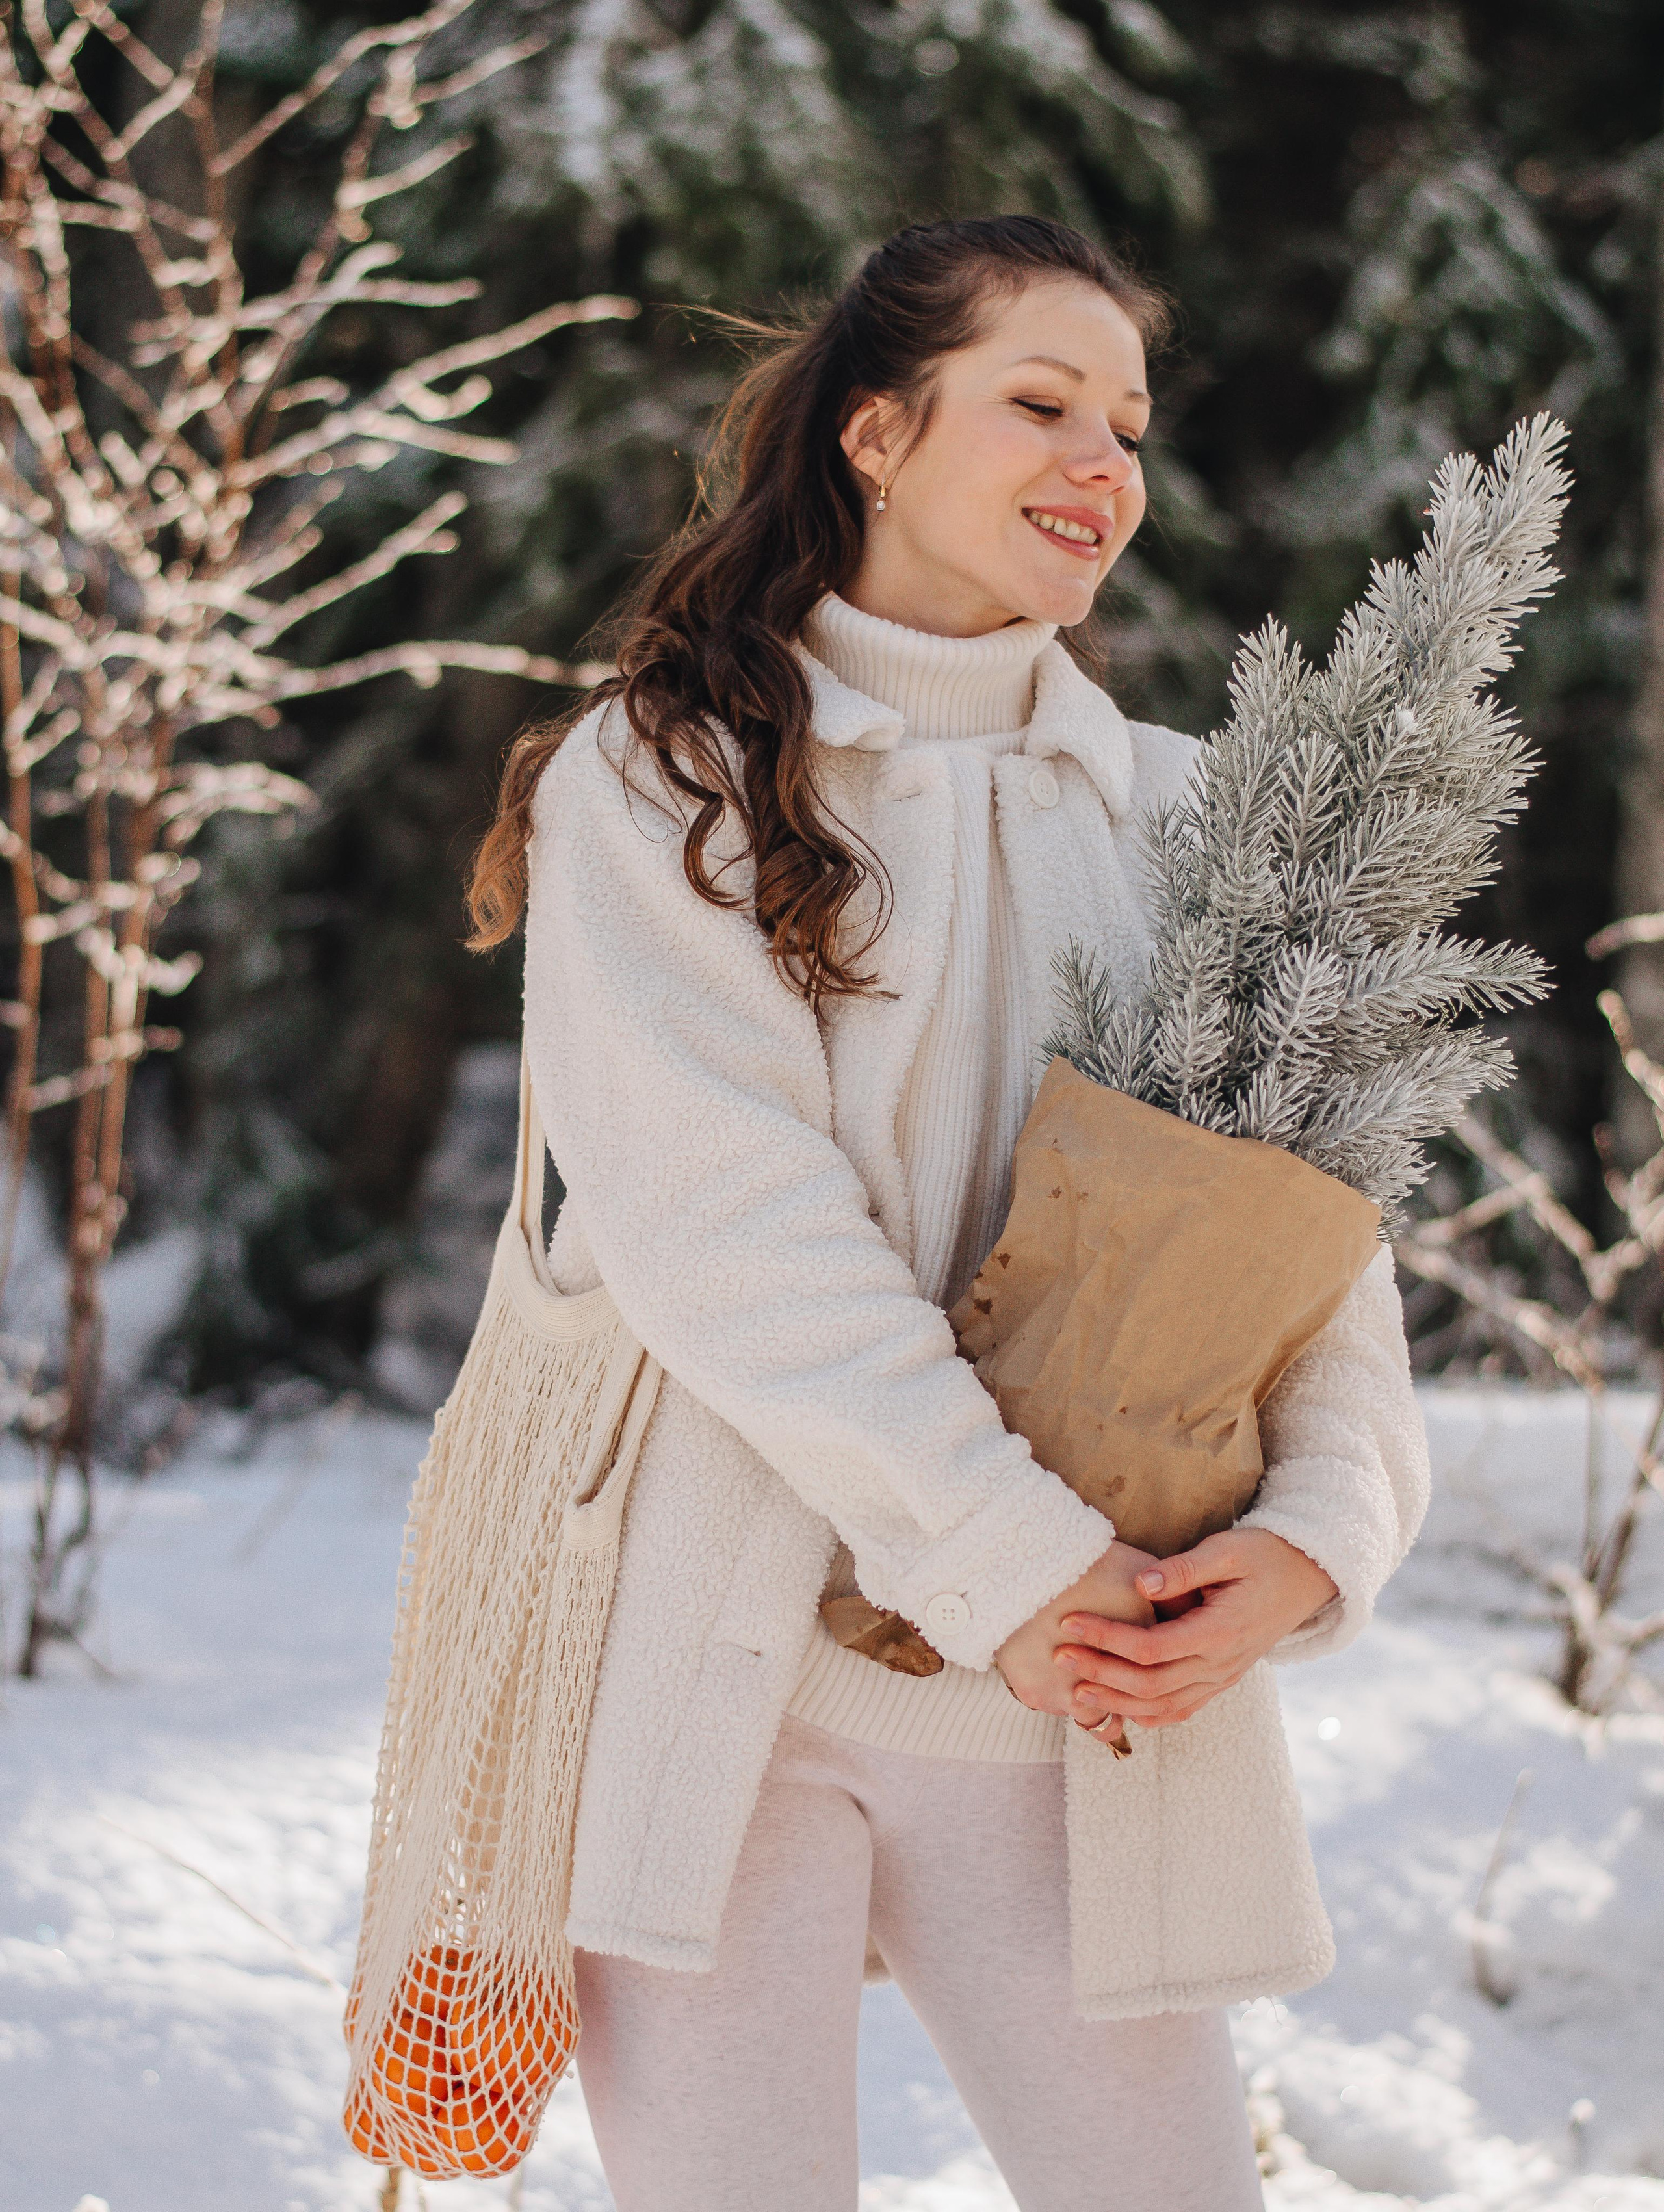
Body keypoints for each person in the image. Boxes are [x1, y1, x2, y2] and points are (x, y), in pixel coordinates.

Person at [467, 215, 1429, 2211]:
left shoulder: (1186, 814)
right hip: (722, 1694)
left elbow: (1309, 1252)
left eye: (1135, 426)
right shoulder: (665, 787)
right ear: (880, 432)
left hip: (1089, 1712)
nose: (1107, 463)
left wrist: (1318, 1545)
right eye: (1044, 402)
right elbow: (734, 1235)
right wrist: (1021, 1557)